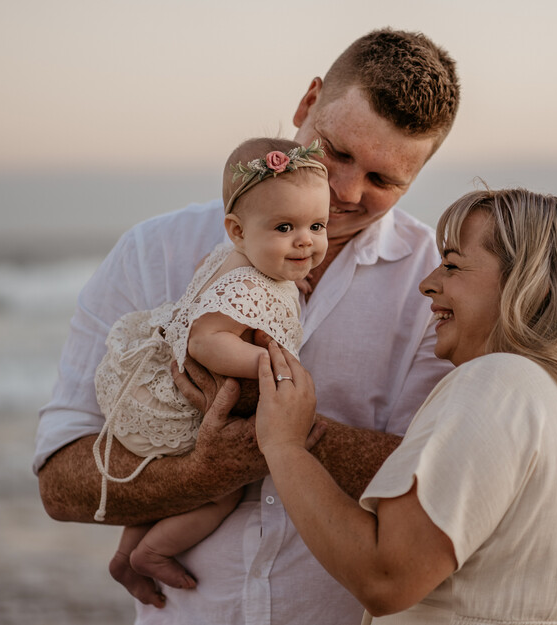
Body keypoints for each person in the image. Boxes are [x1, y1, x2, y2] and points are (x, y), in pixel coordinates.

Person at [34, 28, 460, 624]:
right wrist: (195, 476)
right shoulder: (154, 250)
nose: (343, 191)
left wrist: (283, 428)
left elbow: (432, 486)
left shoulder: (436, 285)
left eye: (383, 180)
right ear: (308, 103)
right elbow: (60, 481)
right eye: (335, 151)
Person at [255, 187, 557, 624]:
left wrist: (285, 445)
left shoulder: (499, 383)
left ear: (526, 280)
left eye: (453, 265)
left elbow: (386, 577)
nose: (429, 283)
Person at [92, 137, 330, 602]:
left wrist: (286, 268)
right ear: (237, 231)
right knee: (220, 491)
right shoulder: (244, 284)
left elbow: (213, 276)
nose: (305, 240)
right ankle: (151, 554)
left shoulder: (238, 258)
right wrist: (268, 362)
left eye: (317, 225)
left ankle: (126, 553)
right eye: (285, 227)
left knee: (166, 477)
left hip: (150, 385)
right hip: (170, 407)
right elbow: (205, 341)